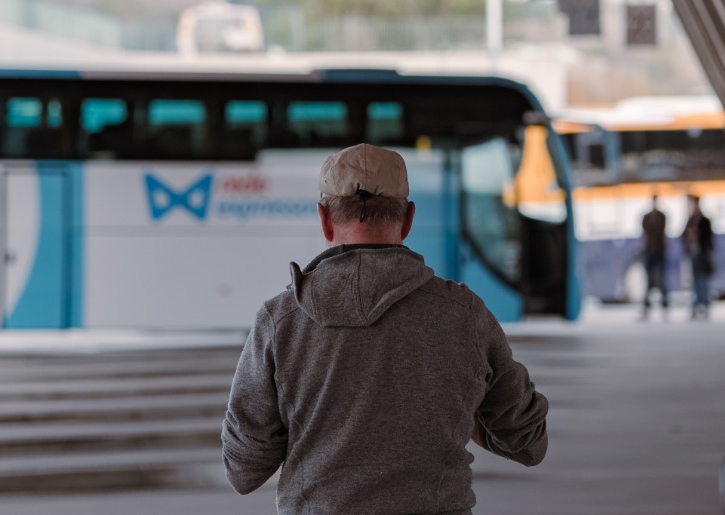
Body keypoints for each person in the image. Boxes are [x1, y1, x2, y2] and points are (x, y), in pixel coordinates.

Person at [221, 143, 548, 514]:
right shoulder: (465, 315)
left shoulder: (280, 321)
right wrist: (460, 405)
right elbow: (528, 442)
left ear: (325, 220)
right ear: (407, 219)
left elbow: (242, 470)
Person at [682, 195, 716, 320]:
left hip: (703, 253)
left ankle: (705, 304)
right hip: (693, 253)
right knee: (695, 281)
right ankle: (696, 306)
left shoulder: (704, 221)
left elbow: (709, 237)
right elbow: (683, 235)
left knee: (703, 280)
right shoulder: (690, 220)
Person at [640, 195, 671, 320]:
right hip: (649, 252)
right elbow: (645, 231)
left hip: (659, 251)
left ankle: (665, 306)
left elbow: (660, 231)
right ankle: (646, 308)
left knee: (662, 279)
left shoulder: (662, 217)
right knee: (648, 280)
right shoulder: (646, 217)